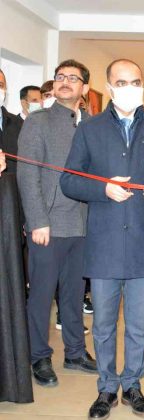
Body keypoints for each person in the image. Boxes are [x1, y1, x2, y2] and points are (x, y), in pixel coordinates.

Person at [60, 58, 144, 419]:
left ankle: (133, 385)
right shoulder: (90, 129)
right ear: (110, 87)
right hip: (105, 242)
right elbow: (69, 179)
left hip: (143, 240)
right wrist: (103, 189)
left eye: (135, 82)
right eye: (122, 82)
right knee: (103, 324)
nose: (130, 88)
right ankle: (107, 387)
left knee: (139, 325)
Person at [17, 59, 97, 388]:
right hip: (48, 225)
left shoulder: (93, 124)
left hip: (84, 225)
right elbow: (27, 174)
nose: (65, 82)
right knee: (41, 296)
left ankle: (75, 352)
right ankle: (39, 356)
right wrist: (37, 220)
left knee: (74, 294)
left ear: (84, 88)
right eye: (60, 77)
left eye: (73, 78)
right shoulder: (39, 122)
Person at [0, 68, 33, 404]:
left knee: (10, 296)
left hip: (10, 220)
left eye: (0, 84)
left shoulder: (16, 125)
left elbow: (26, 175)